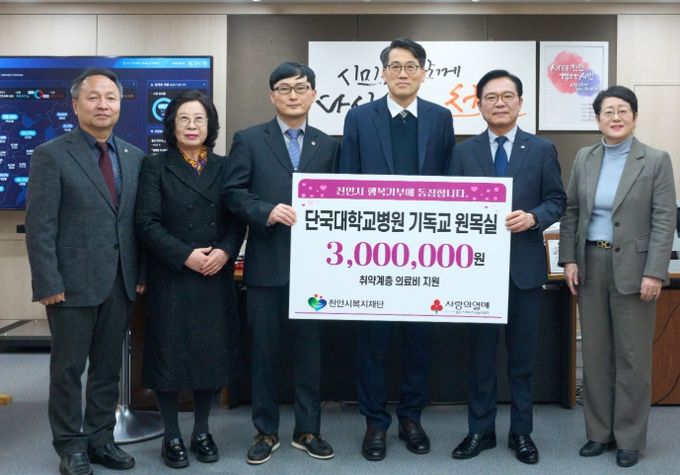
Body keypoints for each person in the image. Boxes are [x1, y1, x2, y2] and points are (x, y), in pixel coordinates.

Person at [339, 38, 455, 461]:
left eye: (411, 66)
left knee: (418, 341)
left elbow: (450, 181)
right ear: (383, 73)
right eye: (395, 66)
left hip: (424, 253)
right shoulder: (359, 118)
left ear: (423, 72)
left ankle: (411, 417)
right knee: (372, 342)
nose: (403, 73)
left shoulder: (441, 118)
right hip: (372, 251)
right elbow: (346, 181)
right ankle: (374, 422)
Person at [25, 68, 144, 475]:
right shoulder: (51, 154)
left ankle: (100, 440)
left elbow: (136, 224)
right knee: (68, 370)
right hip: (70, 285)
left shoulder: (134, 156)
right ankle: (70, 446)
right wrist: (47, 281)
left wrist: (140, 274)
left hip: (120, 282)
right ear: (75, 105)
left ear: (120, 105)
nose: (102, 105)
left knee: (108, 370)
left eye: (110, 97)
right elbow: (40, 225)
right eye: (93, 97)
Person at [222, 62, 339, 465]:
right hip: (267, 265)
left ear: (314, 95)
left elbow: (342, 199)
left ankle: (308, 430)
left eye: (301, 88)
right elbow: (233, 193)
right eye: (284, 88)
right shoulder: (250, 139)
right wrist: (266, 211)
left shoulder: (329, 145)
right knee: (264, 354)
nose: (293, 95)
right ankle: (265, 430)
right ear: (272, 95)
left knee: (310, 354)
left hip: (316, 269)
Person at [449, 69, 565, 465]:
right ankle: (480, 431)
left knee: (522, 359)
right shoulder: (463, 153)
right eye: (491, 97)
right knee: (480, 358)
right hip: (476, 271)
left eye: (507, 96)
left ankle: (521, 432)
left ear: (520, 102)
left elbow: (557, 200)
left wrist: (533, 218)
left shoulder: (542, 149)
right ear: (479, 105)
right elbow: (451, 206)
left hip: (523, 269)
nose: (499, 103)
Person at [558, 85, 676, 468]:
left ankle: (629, 438)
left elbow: (664, 219)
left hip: (636, 270)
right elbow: (572, 211)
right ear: (597, 119)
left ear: (635, 117)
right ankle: (598, 433)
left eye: (623, 110)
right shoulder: (585, 157)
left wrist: (655, 271)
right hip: (591, 264)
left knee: (632, 357)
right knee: (595, 355)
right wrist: (568, 259)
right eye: (608, 111)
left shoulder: (655, 160)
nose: (616, 117)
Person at [135, 90, 245, 468]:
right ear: (172, 125)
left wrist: (225, 252)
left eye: (199, 119)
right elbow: (146, 223)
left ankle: (201, 431)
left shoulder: (225, 166)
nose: (192, 126)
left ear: (210, 125)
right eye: (184, 119)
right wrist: (186, 255)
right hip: (173, 275)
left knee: (210, 359)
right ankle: (171, 435)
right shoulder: (155, 165)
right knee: (169, 359)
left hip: (215, 273)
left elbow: (236, 220)